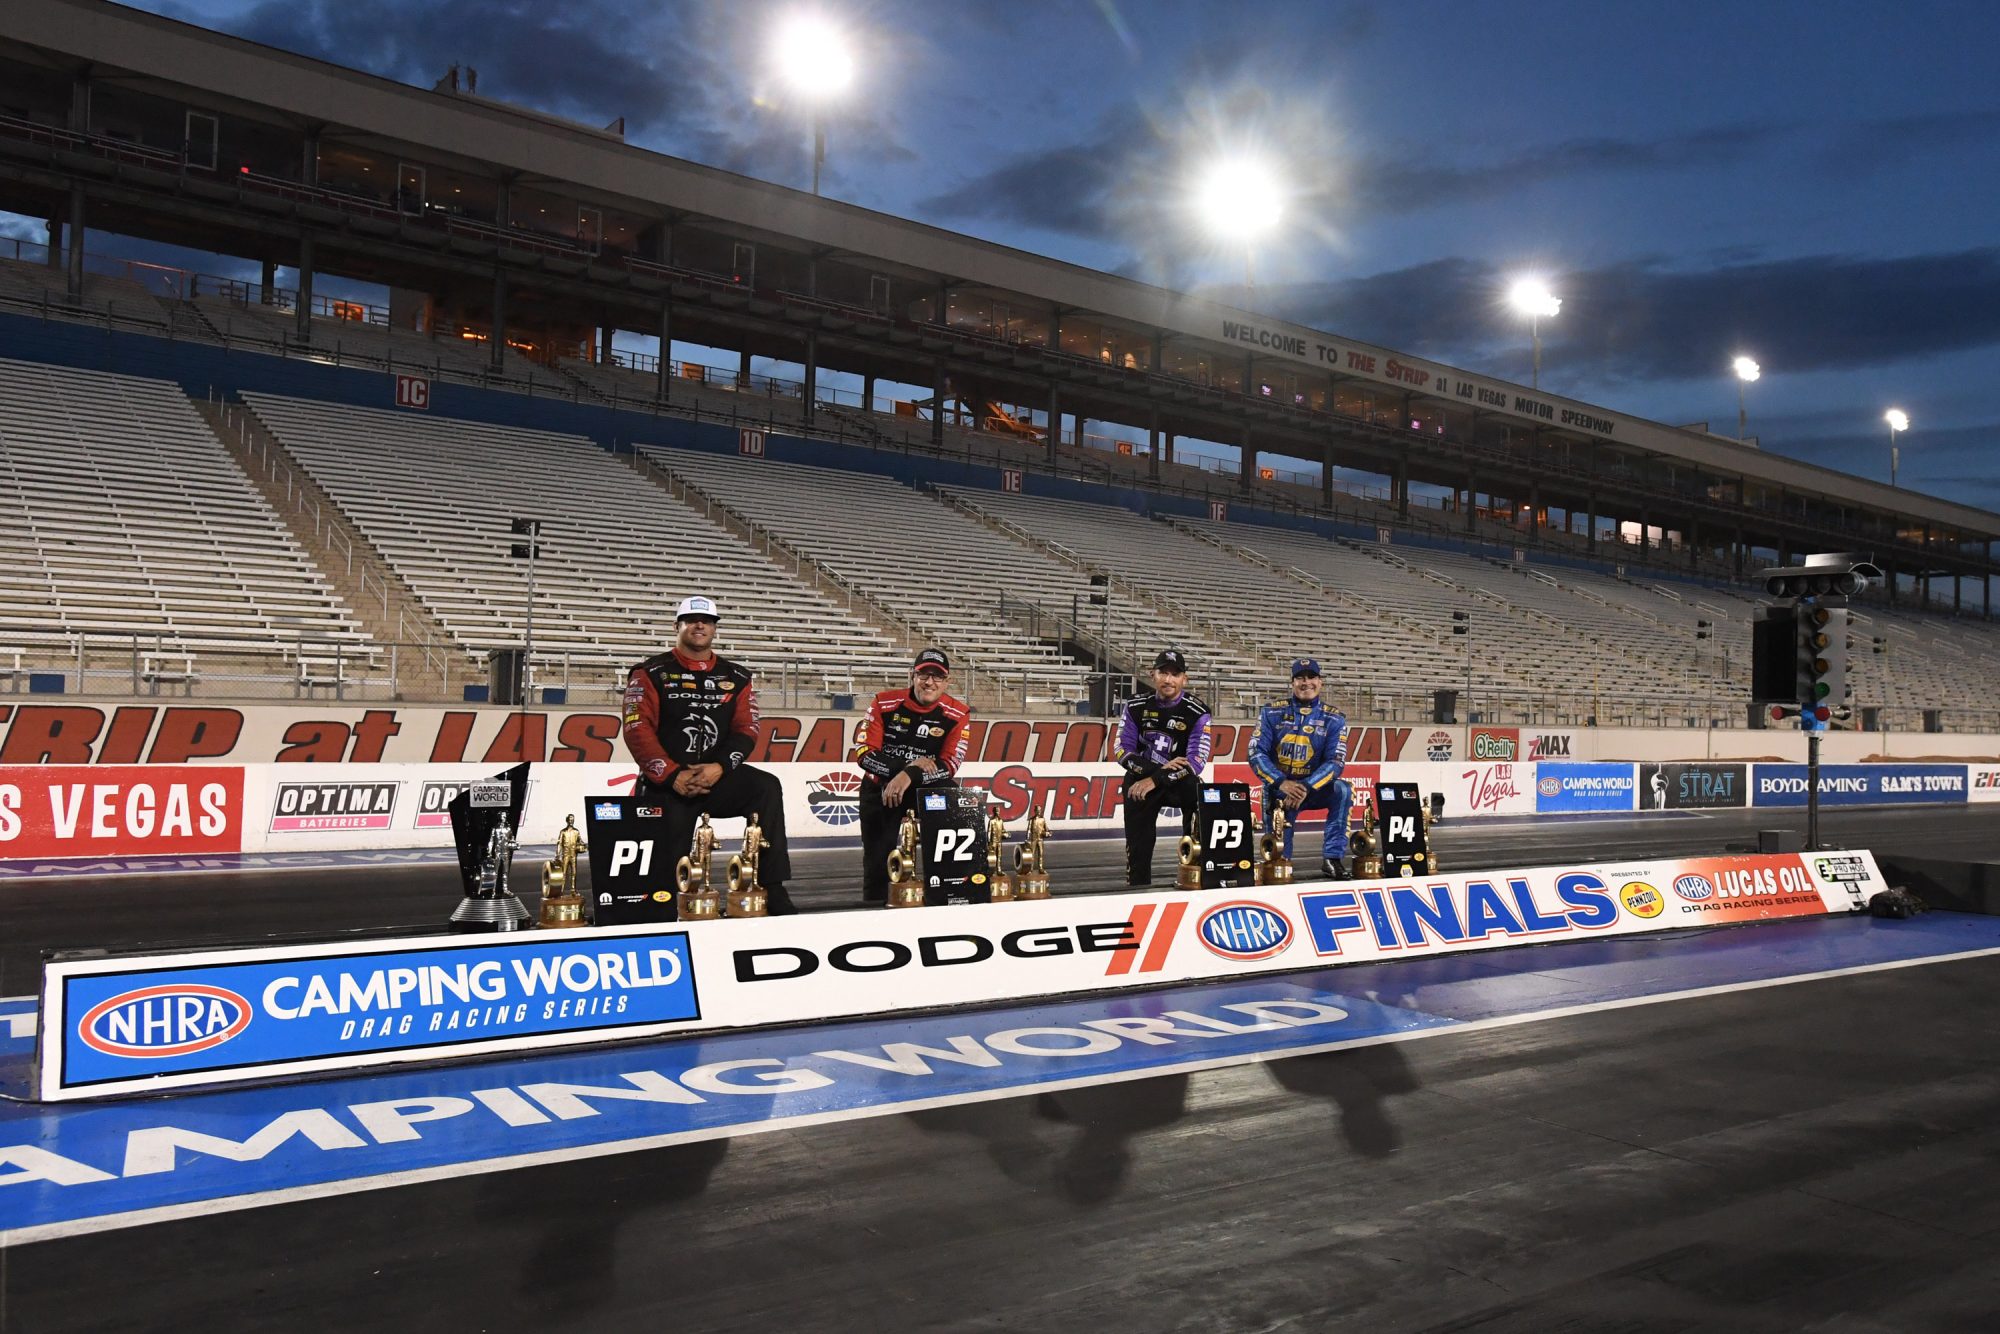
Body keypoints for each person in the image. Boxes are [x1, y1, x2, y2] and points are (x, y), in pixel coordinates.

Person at [621, 595, 796, 913]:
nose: (700, 625)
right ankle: (658, 900)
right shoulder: (650, 672)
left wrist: (720, 767)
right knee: (661, 878)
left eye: (708, 621)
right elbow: (637, 729)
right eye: (691, 619)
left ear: (714, 629)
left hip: (717, 777)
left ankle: (772, 886)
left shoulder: (737, 677)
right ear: (677, 626)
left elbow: (747, 729)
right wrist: (672, 775)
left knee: (766, 787)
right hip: (669, 781)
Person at [852, 648, 972, 905]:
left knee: (955, 799)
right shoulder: (883, 702)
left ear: (947, 681)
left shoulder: (958, 713)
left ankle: (954, 892)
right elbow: (864, 754)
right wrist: (907, 767)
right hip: (881, 789)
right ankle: (875, 909)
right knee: (878, 861)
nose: (930, 682)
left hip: (923, 790)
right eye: (923, 675)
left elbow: (950, 764)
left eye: (937, 677)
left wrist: (909, 774)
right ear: (912, 675)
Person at [1250, 658, 1354, 879]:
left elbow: (1336, 762)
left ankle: (1332, 858)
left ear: (1320, 682)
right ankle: (1280, 859)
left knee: (1343, 789)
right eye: (1300, 678)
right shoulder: (1270, 713)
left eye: (1311, 677)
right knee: (1279, 863)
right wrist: (1281, 783)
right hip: (1281, 790)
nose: (1306, 682)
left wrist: (1306, 786)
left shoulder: (1334, 718)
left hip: (1314, 789)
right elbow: (1255, 754)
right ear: (1292, 683)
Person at [1115, 649, 1212, 886]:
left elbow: (1196, 762)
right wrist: (1153, 773)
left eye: (1175, 674)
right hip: (1142, 779)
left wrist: (1157, 779)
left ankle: (1194, 873)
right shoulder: (1135, 705)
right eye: (1163, 673)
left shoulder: (1198, 711)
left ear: (1184, 679)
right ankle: (1137, 884)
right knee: (1132, 790)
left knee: (1199, 793)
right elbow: (1121, 751)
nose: (1168, 679)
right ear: (1153, 675)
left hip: (1177, 782)